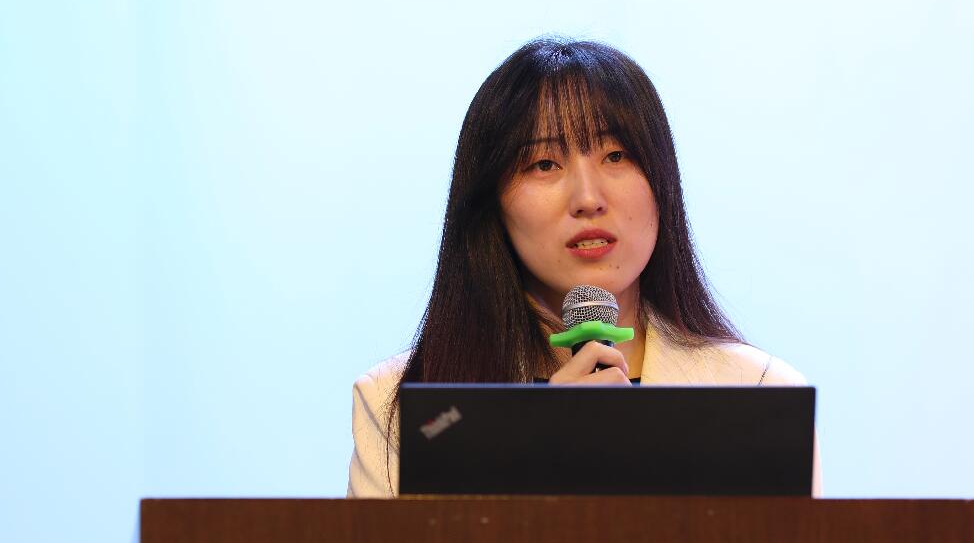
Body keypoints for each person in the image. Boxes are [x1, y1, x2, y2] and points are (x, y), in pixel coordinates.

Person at [347, 36, 815, 498]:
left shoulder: (761, 396)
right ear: (492, 204)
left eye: (616, 156)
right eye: (544, 164)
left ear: (662, 182)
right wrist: (537, 455)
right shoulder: (401, 408)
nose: (588, 199)